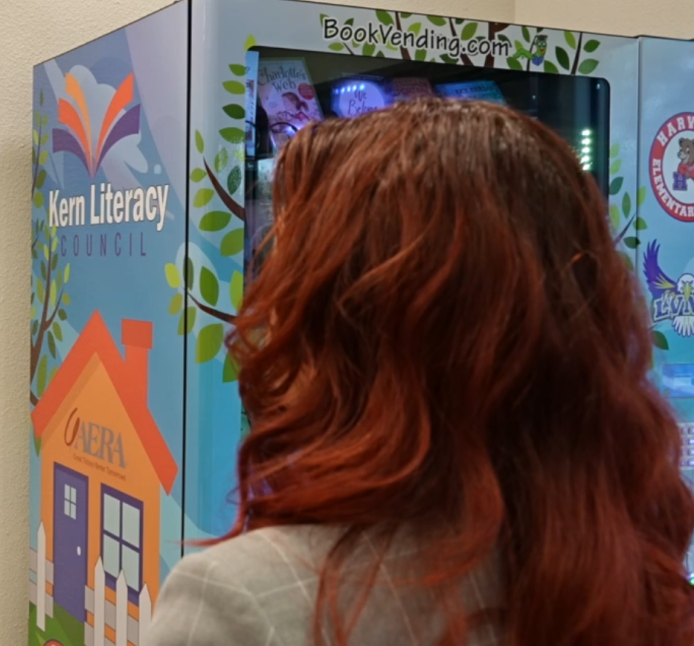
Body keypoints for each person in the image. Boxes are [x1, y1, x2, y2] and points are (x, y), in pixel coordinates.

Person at [144, 98, 694, 646]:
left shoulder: (239, 601)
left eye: (292, 281)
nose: (271, 314)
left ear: (354, 326)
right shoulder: (637, 569)